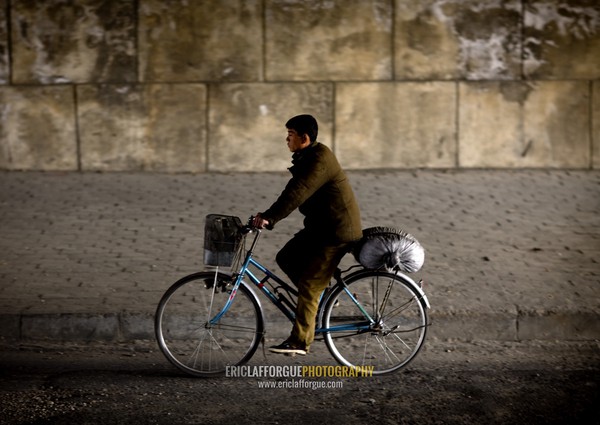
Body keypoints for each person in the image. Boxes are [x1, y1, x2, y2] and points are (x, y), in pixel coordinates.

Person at [252, 114, 362, 355]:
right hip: (321, 228)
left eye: (290, 135)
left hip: (336, 232)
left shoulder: (319, 160)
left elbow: (296, 193)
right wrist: (270, 215)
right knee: (287, 257)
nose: (286, 139)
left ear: (304, 138)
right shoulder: (310, 155)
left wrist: (270, 217)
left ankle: (300, 341)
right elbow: (293, 191)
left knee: (310, 286)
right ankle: (324, 298)